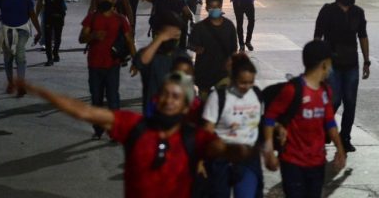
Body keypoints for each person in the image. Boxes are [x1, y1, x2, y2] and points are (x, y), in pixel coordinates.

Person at [19, 72, 256, 198]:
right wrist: (37, 90)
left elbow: (222, 150)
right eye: (164, 94)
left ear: (186, 107)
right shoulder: (135, 126)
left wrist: (239, 150)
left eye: (176, 97)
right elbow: (84, 111)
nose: (168, 101)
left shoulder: (195, 138)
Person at [263, 40, 347, 198]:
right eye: (330, 63)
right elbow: (269, 118)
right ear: (324, 64)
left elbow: (330, 122)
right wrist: (269, 151)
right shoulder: (293, 90)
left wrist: (340, 149)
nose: (331, 68)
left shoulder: (325, 91)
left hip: (317, 162)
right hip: (292, 162)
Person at [314, 0, 370, 152]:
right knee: (334, 100)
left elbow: (362, 36)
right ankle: (325, 131)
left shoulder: (358, 13)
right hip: (332, 65)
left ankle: (345, 137)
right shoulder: (328, 11)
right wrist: (317, 63)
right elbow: (317, 36)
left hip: (352, 64)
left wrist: (367, 61)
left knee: (350, 102)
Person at [202, 53, 263, 198]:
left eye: (250, 82)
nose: (246, 87)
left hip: (248, 157)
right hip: (222, 158)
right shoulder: (218, 96)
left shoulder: (256, 95)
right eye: (242, 82)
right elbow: (206, 131)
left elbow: (258, 123)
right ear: (233, 78)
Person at [80, 0, 135, 139]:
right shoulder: (92, 17)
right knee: (96, 98)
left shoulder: (120, 19)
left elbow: (129, 40)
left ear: (115, 0)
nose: (106, 1)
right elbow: (81, 38)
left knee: (113, 99)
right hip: (94, 65)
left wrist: (136, 61)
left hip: (113, 64)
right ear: (98, 0)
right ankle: (98, 129)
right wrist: (93, 35)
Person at [131, 12, 187, 114]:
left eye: (176, 35)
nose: (172, 38)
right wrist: (160, 39)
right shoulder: (149, 54)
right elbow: (141, 62)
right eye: (169, 34)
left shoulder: (181, 56)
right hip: (153, 110)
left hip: (175, 112)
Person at [189, 0, 238, 97]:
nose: (215, 9)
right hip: (204, 72)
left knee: (223, 101)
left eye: (217, 6)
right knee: (205, 103)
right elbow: (190, 44)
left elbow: (234, 48)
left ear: (221, 7)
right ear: (207, 8)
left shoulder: (229, 26)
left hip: (223, 72)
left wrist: (232, 63)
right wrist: (196, 48)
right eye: (212, 7)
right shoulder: (200, 27)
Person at [35, 0, 68, 66]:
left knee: (58, 37)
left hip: (59, 13)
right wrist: (35, 15)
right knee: (48, 37)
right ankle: (49, 58)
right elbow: (39, 2)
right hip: (48, 14)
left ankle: (55, 52)